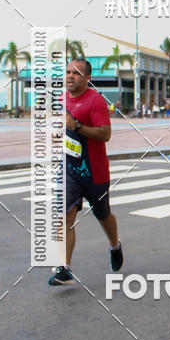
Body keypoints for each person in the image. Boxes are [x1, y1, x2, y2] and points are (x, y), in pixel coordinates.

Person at [48, 58, 123, 286]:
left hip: (95, 172)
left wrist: (77, 126)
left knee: (103, 215)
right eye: (68, 72)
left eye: (77, 73)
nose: (70, 76)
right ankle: (64, 268)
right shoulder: (61, 99)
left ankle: (115, 245)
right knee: (66, 215)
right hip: (69, 170)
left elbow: (105, 134)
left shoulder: (96, 101)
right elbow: (63, 127)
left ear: (87, 78)